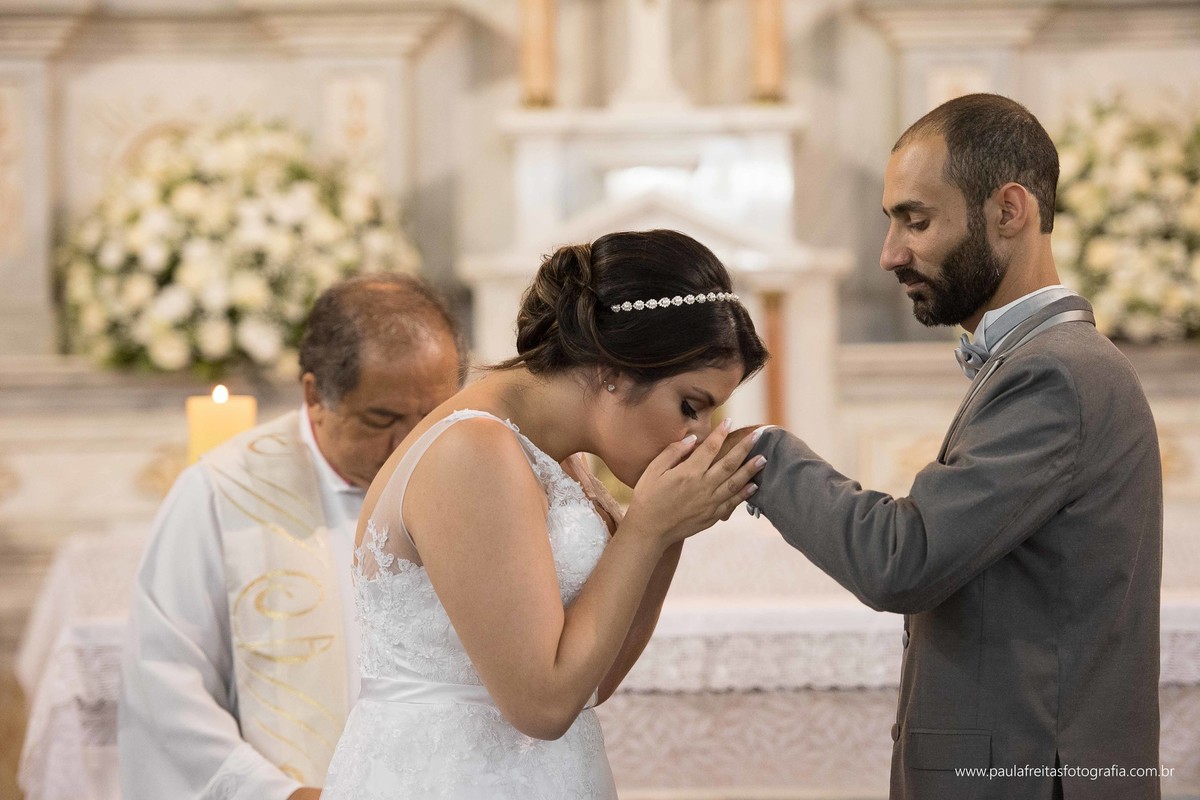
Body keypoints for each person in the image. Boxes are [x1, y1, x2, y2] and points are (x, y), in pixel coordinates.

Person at [740, 94, 1162, 799]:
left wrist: (760, 454)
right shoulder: (1036, 362)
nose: (890, 254)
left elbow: (903, 560)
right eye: (892, 222)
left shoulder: (1054, 372)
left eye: (918, 219)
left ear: (1009, 210)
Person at [321, 229, 770, 798]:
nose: (696, 435)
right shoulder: (473, 450)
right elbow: (543, 705)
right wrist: (651, 524)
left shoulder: (561, 459)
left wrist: (670, 526)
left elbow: (592, 681)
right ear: (613, 368)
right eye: (690, 406)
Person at [118, 273, 464, 800]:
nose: (412, 442)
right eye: (383, 418)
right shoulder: (223, 493)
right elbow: (163, 679)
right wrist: (276, 793)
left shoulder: (469, 477)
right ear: (314, 395)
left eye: (432, 414)